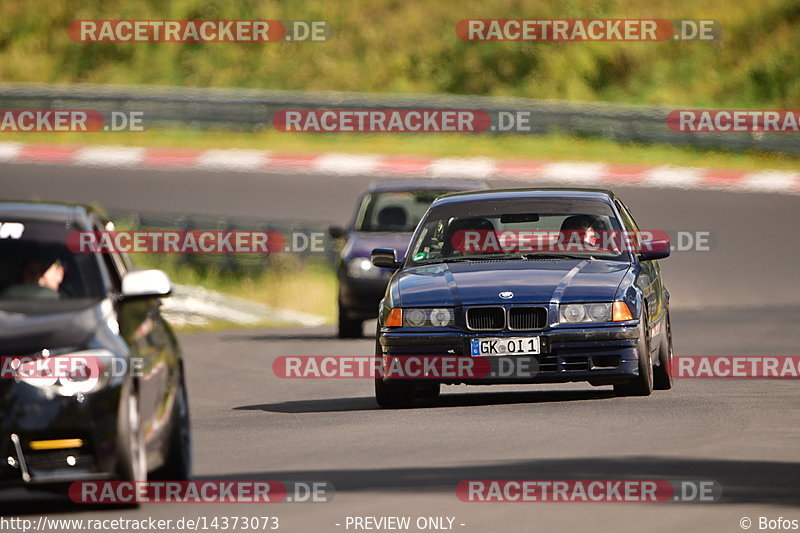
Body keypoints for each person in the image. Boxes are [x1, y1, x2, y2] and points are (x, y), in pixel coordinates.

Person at [0, 257, 64, 299]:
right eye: (31, 272)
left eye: (42, 271)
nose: (37, 277)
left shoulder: (69, 303)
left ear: (59, 273)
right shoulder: (11, 295)